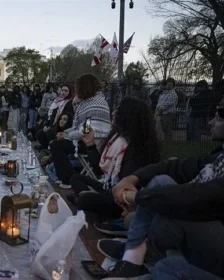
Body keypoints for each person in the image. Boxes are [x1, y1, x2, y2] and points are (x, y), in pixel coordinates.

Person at [98, 100, 224, 279]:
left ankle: (139, 253)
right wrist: (131, 179)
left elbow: (201, 196)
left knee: (169, 217)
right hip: (195, 234)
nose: (210, 122)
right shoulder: (219, 156)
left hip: (213, 249)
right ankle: (135, 256)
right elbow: (176, 167)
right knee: (162, 186)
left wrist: (136, 197)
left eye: (219, 117)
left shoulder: (133, 146)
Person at [68, 97, 160, 230]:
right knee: (76, 178)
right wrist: (90, 144)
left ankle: (84, 200)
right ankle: (86, 199)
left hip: (122, 200)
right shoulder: (116, 139)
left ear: (126, 117)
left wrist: (98, 195)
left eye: (117, 111)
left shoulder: (136, 149)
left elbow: (125, 189)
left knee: (85, 200)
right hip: (109, 188)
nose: (113, 113)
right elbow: (99, 171)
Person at [49, 74, 111, 186]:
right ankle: (69, 176)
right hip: (91, 141)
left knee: (56, 145)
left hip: (92, 145)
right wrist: (66, 133)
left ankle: (69, 178)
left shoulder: (93, 105)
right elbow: (82, 127)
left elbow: (86, 131)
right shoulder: (96, 101)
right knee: (57, 142)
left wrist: (66, 136)